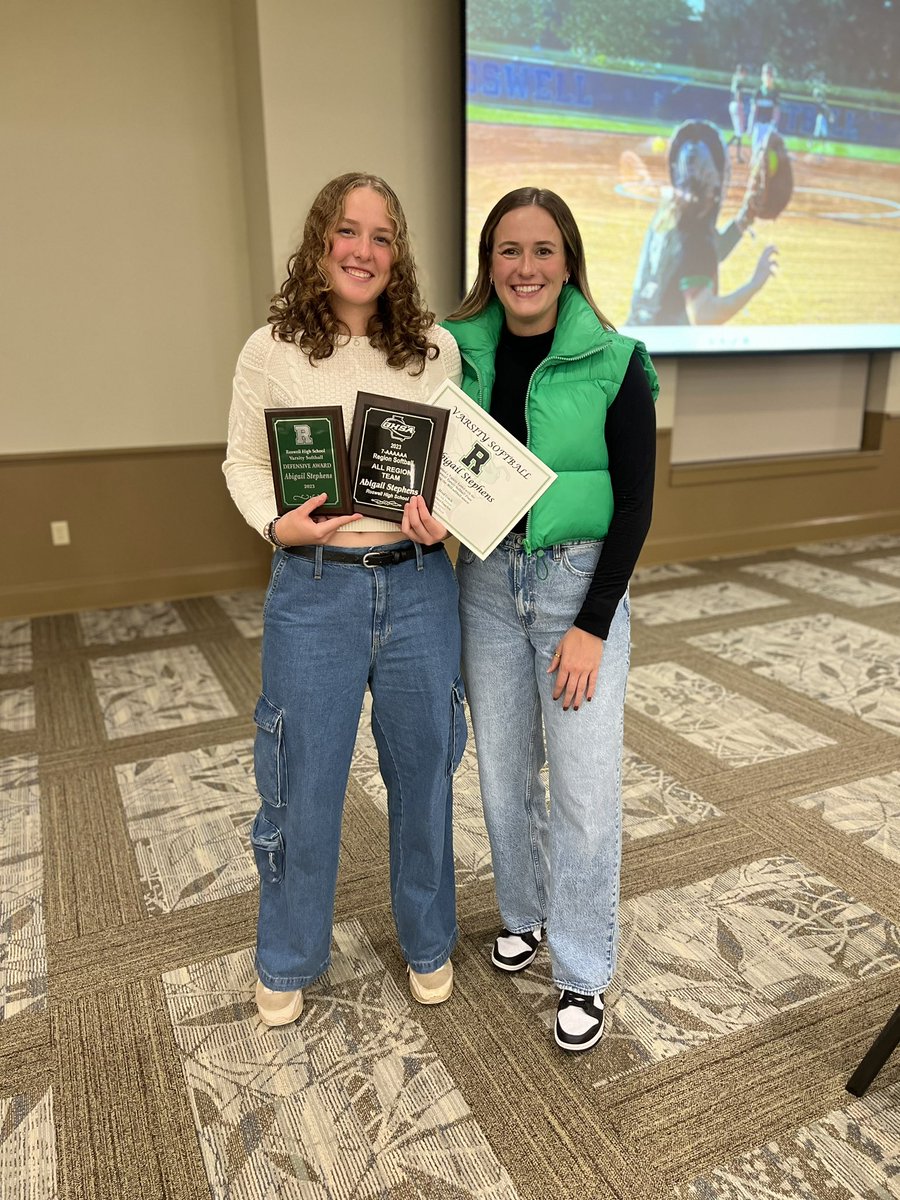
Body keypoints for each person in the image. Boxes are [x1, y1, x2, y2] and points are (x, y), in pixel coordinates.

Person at [224, 172, 466, 1026]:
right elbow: (244, 464)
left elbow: (453, 470)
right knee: (301, 779)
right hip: (314, 591)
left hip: (418, 586)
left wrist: (447, 526)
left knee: (425, 773)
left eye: (383, 236)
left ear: (398, 256)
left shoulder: (435, 350)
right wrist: (275, 528)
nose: (364, 251)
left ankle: (430, 940)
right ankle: (288, 955)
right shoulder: (270, 350)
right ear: (320, 242)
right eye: (348, 232)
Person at [443, 188, 658, 1052]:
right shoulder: (454, 356)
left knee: (580, 789)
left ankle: (580, 968)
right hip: (487, 587)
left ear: (567, 260)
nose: (523, 269)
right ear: (488, 264)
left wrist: (593, 624)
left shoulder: (616, 360)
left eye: (541, 251)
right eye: (507, 251)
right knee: (500, 778)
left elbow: (637, 505)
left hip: (577, 592)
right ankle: (523, 913)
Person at [627, 119, 778, 326]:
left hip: (636, 341)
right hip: (668, 352)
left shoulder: (668, 214)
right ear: (716, 179)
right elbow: (705, 316)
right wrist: (754, 284)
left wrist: (745, 218)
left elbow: (696, 261)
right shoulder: (697, 239)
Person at [750, 62, 781, 152]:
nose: (768, 76)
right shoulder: (757, 92)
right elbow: (754, 111)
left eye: (770, 74)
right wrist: (750, 127)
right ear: (762, 75)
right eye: (766, 73)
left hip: (769, 126)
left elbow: (776, 111)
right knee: (755, 151)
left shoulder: (775, 93)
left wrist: (774, 126)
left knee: (769, 152)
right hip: (758, 125)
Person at [727, 63, 750, 162]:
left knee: (738, 132)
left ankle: (725, 147)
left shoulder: (735, 78)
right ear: (742, 72)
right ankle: (738, 157)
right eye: (745, 72)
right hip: (737, 105)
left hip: (732, 105)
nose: (746, 74)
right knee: (739, 132)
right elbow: (738, 95)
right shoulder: (739, 81)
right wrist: (740, 106)